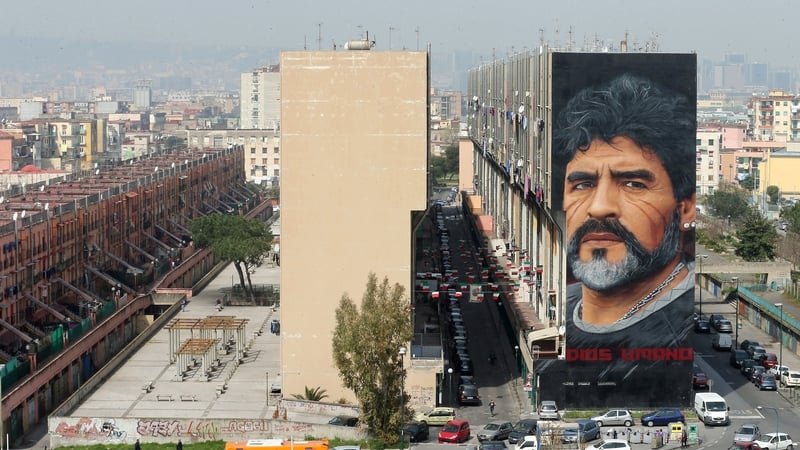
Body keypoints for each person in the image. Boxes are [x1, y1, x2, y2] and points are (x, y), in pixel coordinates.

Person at [553, 73, 696, 349]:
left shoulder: (678, 332)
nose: (599, 208)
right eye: (583, 184)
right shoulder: (560, 308)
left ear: (685, 208)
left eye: (633, 184)